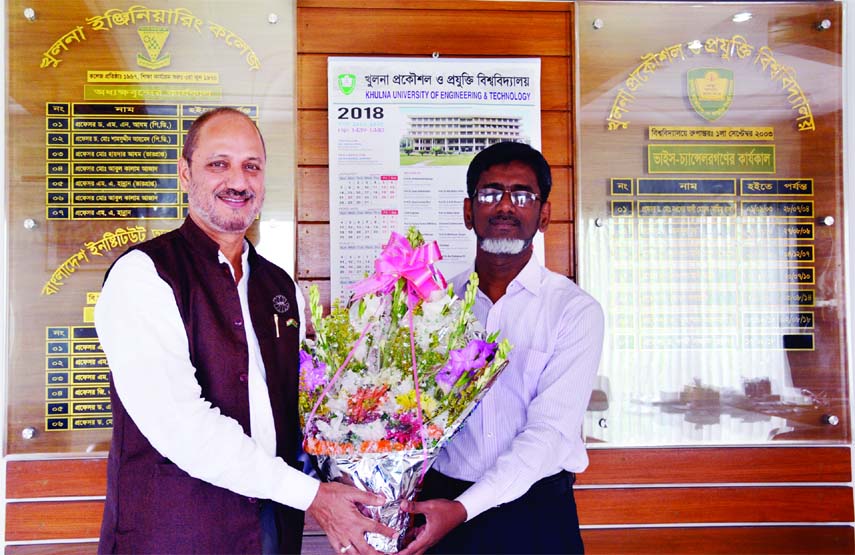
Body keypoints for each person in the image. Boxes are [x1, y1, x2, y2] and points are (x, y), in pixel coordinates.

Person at [95, 107, 393, 554]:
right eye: (219, 164)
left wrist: (362, 464)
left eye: (251, 166)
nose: (238, 181)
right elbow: (182, 426)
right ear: (184, 173)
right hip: (176, 536)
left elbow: (300, 414)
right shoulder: (144, 276)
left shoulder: (280, 286)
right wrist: (313, 496)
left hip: (272, 531)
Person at [401, 141, 605, 554]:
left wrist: (464, 508)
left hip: (535, 513)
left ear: (543, 214)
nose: (505, 207)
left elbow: (548, 433)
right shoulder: (434, 304)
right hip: (442, 508)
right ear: (467, 210)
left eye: (523, 195)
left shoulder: (574, 311)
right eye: (490, 194)